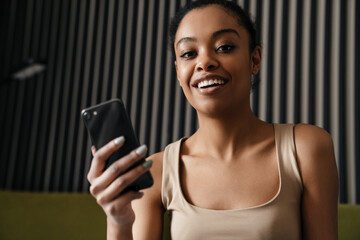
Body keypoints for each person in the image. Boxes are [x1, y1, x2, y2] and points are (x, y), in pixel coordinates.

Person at [87, 0, 339, 239]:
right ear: (178, 72)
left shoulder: (305, 148)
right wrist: (118, 220)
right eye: (188, 53)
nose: (204, 62)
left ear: (255, 59)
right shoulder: (157, 171)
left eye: (224, 47)